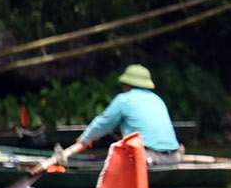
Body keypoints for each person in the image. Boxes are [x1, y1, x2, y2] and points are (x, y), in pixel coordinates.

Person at [54, 65, 182, 166]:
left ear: (127, 84)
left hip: (146, 158)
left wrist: (84, 140)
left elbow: (102, 123)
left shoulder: (124, 100)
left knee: (102, 160)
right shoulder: (158, 99)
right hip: (174, 157)